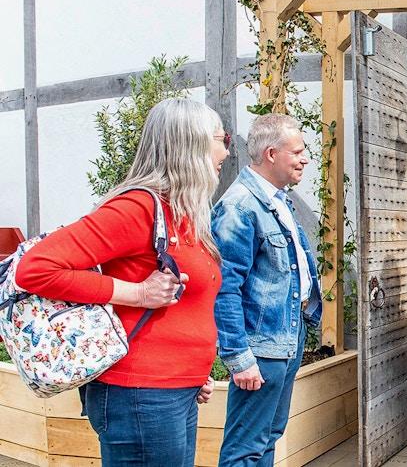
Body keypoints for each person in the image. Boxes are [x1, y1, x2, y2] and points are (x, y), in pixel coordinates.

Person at [15, 98, 229, 466]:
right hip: (141, 395)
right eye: (221, 138)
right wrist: (139, 293)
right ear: (190, 143)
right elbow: (35, 269)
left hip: (171, 391)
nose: (226, 149)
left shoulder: (180, 213)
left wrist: (192, 371)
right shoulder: (138, 208)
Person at [212, 113, 323, 467]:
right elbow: (224, 289)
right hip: (260, 350)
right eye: (298, 151)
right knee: (245, 449)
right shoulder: (240, 206)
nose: (305, 158)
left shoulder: (278, 199)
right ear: (272, 154)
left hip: (286, 338)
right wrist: (239, 358)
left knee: (268, 439)